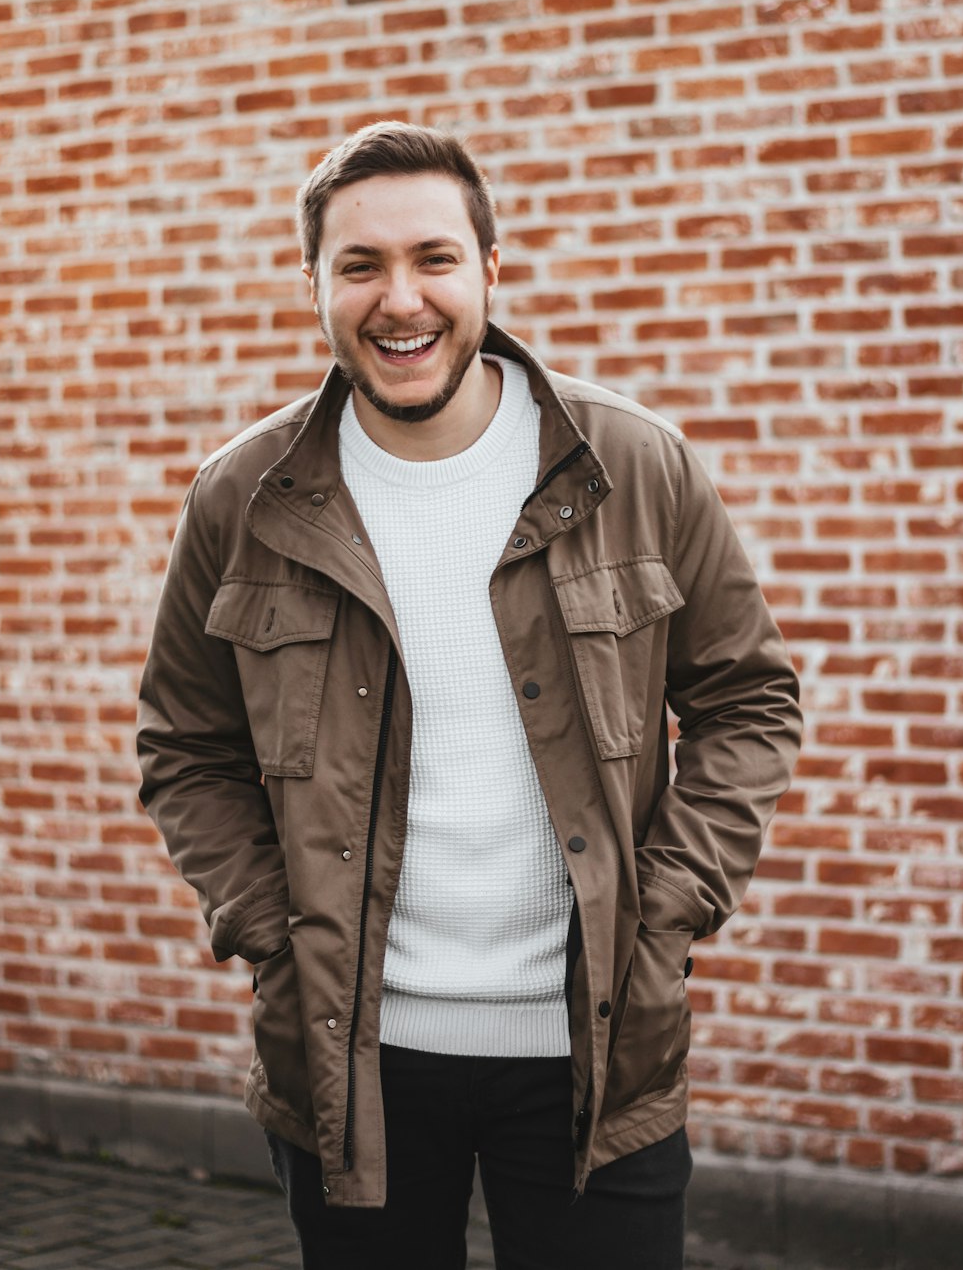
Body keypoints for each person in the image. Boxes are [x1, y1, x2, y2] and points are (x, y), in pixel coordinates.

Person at [138, 121, 802, 1270]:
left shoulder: (632, 468)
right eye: (360, 266)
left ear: (492, 270)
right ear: (314, 286)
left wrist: (668, 910)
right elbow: (186, 748)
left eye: (434, 258)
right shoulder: (242, 499)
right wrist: (270, 936)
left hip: (598, 1058)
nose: (402, 300)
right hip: (351, 1071)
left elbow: (748, 701)